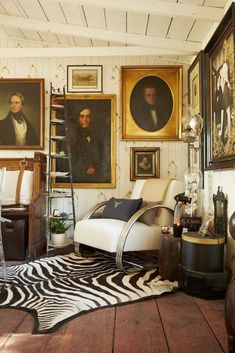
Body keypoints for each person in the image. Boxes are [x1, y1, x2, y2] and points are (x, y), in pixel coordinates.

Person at [71, 107, 104, 183]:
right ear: (79, 118)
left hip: (96, 171)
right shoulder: (74, 134)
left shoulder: (97, 133)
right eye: (82, 117)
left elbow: (101, 154)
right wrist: (85, 168)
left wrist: (94, 167)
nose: (85, 120)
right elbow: (73, 155)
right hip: (79, 171)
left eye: (88, 116)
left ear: (91, 118)